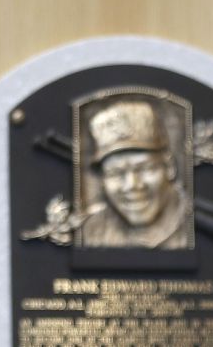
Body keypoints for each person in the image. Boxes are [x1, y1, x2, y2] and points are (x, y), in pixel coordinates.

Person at [77, 97, 195, 250]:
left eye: (145, 168)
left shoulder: (196, 226)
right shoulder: (91, 231)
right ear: (102, 179)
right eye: (116, 173)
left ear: (170, 167)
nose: (132, 185)